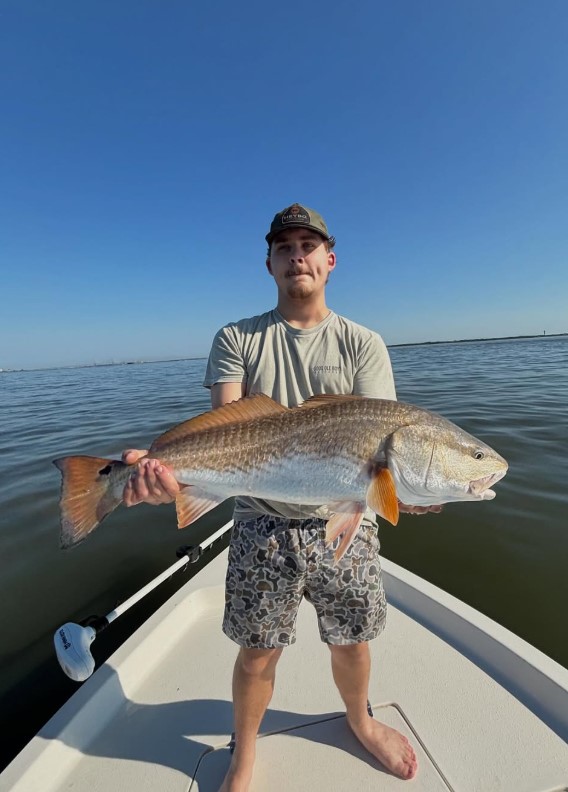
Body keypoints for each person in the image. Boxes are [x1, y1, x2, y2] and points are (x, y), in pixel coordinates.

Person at [123, 203, 425, 790]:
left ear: (330, 260)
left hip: (349, 521)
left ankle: (360, 721)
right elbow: (224, 435)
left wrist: (405, 493)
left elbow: (380, 450)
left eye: (308, 245)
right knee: (257, 653)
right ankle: (245, 752)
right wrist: (174, 476)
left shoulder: (364, 344)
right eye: (284, 247)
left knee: (353, 639)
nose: (297, 256)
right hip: (260, 520)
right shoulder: (236, 337)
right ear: (268, 262)